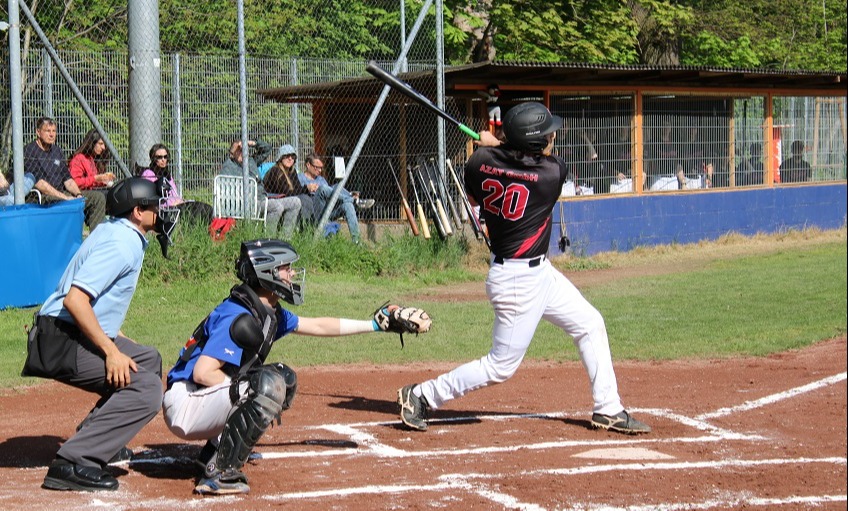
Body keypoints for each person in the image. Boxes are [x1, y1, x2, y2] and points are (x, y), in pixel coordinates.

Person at [396, 102, 651, 436]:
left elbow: (492, 174)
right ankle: (421, 395)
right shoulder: (551, 174)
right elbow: (527, 165)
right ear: (534, 142)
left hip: (538, 273)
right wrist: (501, 147)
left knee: (590, 323)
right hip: (518, 281)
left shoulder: (477, 164)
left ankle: (608, 409)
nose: (553, 136)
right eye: (547, 133)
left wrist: (496, 150)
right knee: (500, 365)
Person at [161, 239, 428, 495]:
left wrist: (373, 325)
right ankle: (218, 473)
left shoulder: (267, 310)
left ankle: (220, 448)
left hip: (203, 398)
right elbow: (203, 372)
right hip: (187, 403)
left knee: (283, 379)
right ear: (267, 273)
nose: (291, 274)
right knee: (265, 386)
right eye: (285, 269)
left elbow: (317, 325)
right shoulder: (239, 315)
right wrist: (251, 391)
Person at [21, 177, 179, 492]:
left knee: (147, 359)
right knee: (146, 390)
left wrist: (117, 340)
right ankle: (74, 462)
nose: (161, 213)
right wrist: (110, 350)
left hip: (66, 332)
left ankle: (95, 435)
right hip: (60, 341)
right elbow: (75, 300)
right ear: (137, 212)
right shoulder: (122, 243)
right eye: (154, 206)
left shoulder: (115, 231)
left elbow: (96, 301)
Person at [23, 117, 106, 231]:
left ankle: (97, 241)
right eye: (48, 131)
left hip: (62, 193)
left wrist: (77, 194)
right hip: (41, 196)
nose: (52, 135)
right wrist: (65, 197)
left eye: (54, 131)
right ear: (38, 132)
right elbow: (39, 184)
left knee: (98, 198)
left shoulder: (57, 151)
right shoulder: (29, 150)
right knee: (68, 202)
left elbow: (68, 179)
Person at [219, 138, 294, 235]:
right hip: (248, 203)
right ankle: (269, 238)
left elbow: (267, 149)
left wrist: (252, 143)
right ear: (233, 152)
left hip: (263, 198)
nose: (242, 153)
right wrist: (233, 150)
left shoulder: (251, 161)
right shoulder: (229, 165)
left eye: (244, 150)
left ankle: (285, 238)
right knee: (276, 207)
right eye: (239, 150)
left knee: (295, 202)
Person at [298, 153, 374, 243]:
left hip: (328, 209)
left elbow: (329, 194)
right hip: (314, 211)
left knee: (346, 201)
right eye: (316, 167)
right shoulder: (300, 178)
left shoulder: (321, 179)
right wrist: (307, 188)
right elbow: (296, 193)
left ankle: (357, 241)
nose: (320, 170)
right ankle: (354, 201)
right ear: (308, 165)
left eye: (321, 167)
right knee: (323, 188)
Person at [140, 143, 213, 226]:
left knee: (205, 208)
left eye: (165, 157)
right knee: (198, 209)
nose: (163, 160)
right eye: (159, 157)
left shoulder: (167, 174)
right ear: (153, 159)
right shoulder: (149, 174)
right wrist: (172, 203)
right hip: (165, 209)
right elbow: (154, 199)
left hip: (176, 205)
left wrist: (180, 201)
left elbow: (174, 194)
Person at [261, 144, 314, 235]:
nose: (290, 159)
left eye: (293, 156)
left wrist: (306, 189)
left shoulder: (291, 171)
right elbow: (286, 192)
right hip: (272, 200)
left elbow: (297, 189)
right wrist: (306, 188)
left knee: (304, 198)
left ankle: (306, 228)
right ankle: (293, 233)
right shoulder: (276, 171)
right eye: (287, 156)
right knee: (299, 199)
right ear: (281, 157)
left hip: (284, 199)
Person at [69, 128, 115, 192]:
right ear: (92, 143)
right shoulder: (79, 158)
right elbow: (74, 182)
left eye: (104, 144)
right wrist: (95, 178)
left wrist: (104, 180)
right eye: (100, 143)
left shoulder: (93, 158)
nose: (103, 148)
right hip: (79, 193)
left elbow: (92, 182)